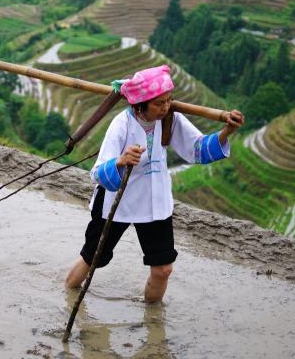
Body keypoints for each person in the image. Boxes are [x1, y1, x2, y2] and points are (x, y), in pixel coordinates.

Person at [64, 65, 244, 303]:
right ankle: (67, 295)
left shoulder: (170, 119)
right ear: (140, 105)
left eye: (169, 101)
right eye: (159, 103)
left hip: (154, 202)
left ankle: (153, 322)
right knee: (93, 258)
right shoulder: (121, 124)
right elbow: (97, 172)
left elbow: (197, 149)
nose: (166, 107)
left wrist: (227, 131)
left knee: (163, 270)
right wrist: (121, 160)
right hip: (117, 203)